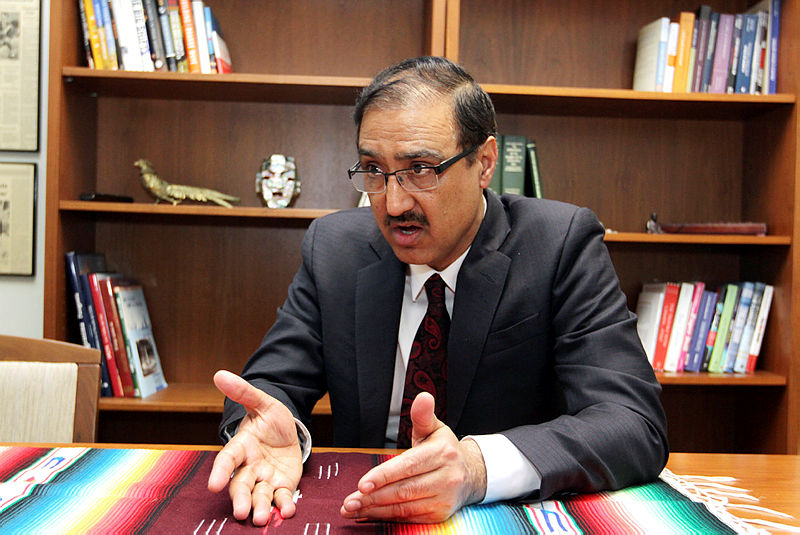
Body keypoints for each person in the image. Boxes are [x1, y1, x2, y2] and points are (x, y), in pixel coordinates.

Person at [207, 56, 668, 525]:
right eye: (374, 169)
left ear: (484, 163)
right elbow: (272, 384)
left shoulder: (558, 244)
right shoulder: (335, 248)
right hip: (362, 508)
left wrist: (476, 468)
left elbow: (632, 422)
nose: (394, 203)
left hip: (504, 516)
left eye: (421, 169)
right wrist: (266, 428)